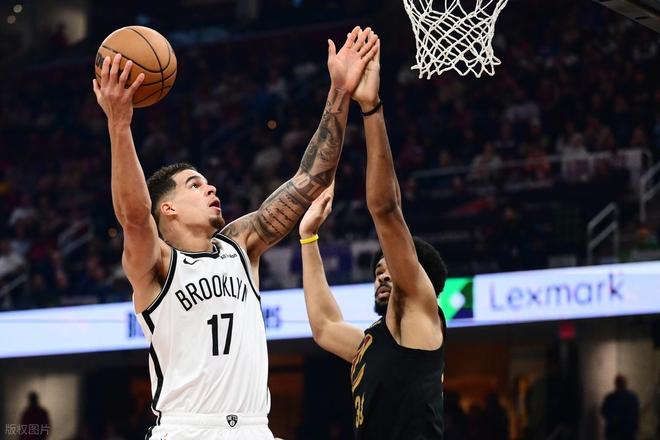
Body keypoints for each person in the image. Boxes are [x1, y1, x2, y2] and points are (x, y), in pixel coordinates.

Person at [92, 27, 378, 440]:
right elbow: (135, 217)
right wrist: (119, 124)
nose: (210, 188)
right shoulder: (157, 265)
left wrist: (339, 92)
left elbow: (311, 178)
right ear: (167, 208)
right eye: (194, 185)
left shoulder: (240, 245)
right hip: (187, 430)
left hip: (254, 429)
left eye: (207, 182)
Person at [299, 41, 447, 439]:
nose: (381, 275)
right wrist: (308, 237)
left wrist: (371, 108)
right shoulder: (371, 343)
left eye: (389, 269)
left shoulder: (419, 312)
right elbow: (325, 326)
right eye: (377, 271)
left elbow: (385, 209)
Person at [601, 374, 640, 440]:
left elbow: (635, 414)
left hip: (626, 431)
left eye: (622, 382)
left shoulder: (632, 397)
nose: (621, 384)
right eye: (619, 382)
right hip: (615, 431)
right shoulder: (610, 398)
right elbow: (604, 412)